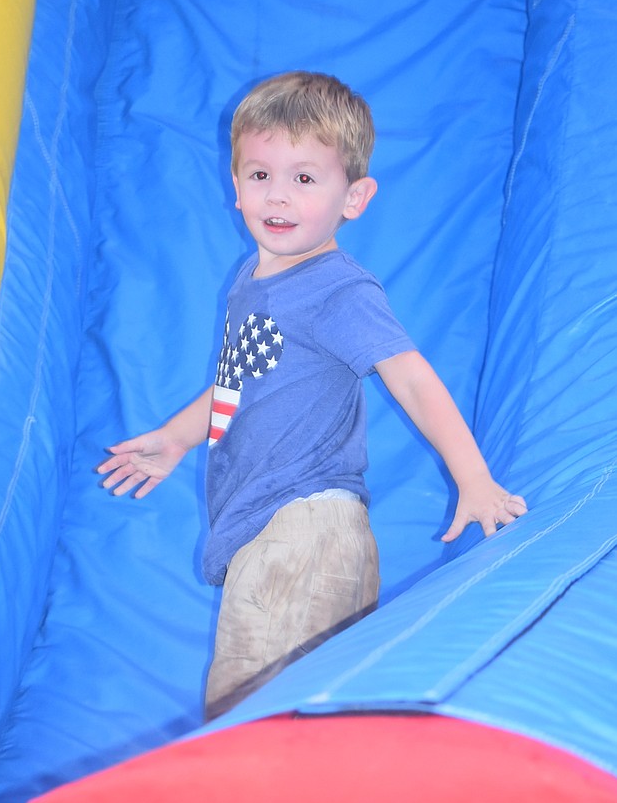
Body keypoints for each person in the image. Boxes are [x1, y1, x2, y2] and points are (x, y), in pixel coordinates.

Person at [97, 71, 527, 719]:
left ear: (354, 197)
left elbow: (409, 374)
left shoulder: (336, 288)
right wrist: (176, 439)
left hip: (302, 530)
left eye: (305, 178)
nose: (278, 195)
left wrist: (473, 477)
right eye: (260, 174)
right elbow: (238, 383)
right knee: (314, 725)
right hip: (290, 532)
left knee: (249, 717)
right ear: (235, 185)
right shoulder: (254, 280)